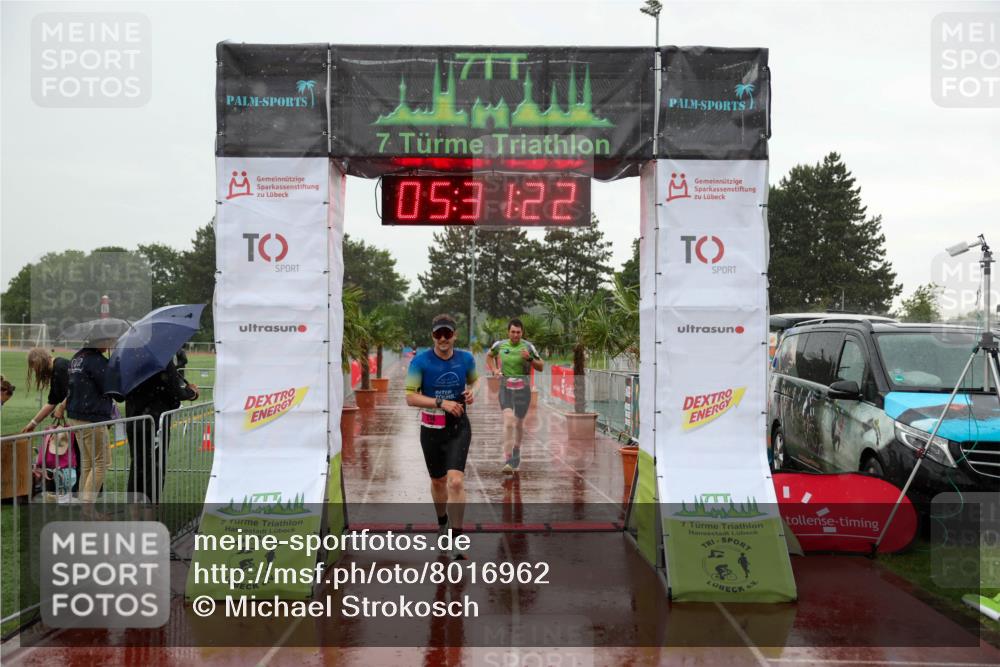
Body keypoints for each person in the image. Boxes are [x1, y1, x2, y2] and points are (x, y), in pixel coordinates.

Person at [404, 314, 478, 560]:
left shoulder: (466, 358)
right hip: (431, 426)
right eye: (438, 334)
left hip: (458, 425)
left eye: (448, 334)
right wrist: (440, 402)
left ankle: (457, 539)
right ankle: (442, 523)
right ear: (432, 336)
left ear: (455, 335)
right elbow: (410, 397)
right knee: (438, 482)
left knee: (455, 482)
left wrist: (471, 393)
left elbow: (476, 382)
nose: (443, 339)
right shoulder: (420, 362)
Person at [124, 359, 199, 503]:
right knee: (155, 468)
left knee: (138, 466)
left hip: (133, 420)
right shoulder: (162, 360)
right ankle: (150, 512)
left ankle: (133, 512)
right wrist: (191, 392)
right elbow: (176, 392)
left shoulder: (131, 360)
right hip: (154, 423)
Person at [486, 318, 544, 474]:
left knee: (518, 423)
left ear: (522, 333)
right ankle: (508, 459)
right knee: (509, 421)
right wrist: (494, 370)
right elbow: (489, 356)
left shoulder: (528, 346)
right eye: (513, 332)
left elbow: (541, 366)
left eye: (518, 332)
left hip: (523, 390)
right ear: (508, 332)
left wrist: (530, 359)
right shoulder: (500, 345)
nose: (515, 335)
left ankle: (516, 449)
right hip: (505, 388)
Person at [66, 339, 115, 502]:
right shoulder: (97, 361)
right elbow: (111, 387)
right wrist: (113, 367)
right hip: (92, 417)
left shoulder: (77, 357)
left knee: (87, 463)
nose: (110, 343)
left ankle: (83, 507)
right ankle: (87, 509)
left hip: (76, 415)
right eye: (108, 340)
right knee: (101, 463)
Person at [21, 348, 70, 433]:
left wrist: (61, 407)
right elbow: (51, 402)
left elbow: (75, 391)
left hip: (88, 415)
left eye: (33, 366)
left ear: (38, 361)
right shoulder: (55, 371)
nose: (34, 369)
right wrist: (33, 423)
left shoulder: (60, 367)